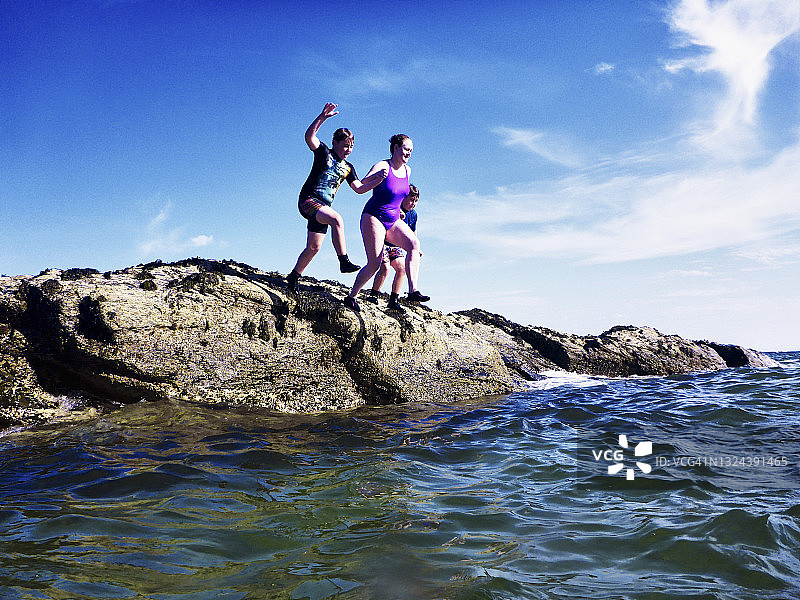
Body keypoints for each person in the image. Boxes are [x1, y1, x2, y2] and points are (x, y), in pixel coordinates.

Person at [287, 103, 388, 293]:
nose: (348, 150)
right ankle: (344, 261)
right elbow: (309, 137)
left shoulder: (348, 167)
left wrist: (377, 180)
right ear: (335, 143)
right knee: (337, 219)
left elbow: (358, 188)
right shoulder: (323, 152)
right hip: (308, 200)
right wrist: (322, 117)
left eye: (351, 147)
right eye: (344, 146)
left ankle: (293, 277)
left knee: (313, 248)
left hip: (322, 207)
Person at [344, 134, 429, 312]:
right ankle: (351, 296)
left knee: (414, 244)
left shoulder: (408, 170)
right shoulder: (383, 165)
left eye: (411, 151)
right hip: (373, 217)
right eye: (406, 149)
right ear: (396, 147)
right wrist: (377, 179)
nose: (409, 153)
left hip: (393, 220)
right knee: (374, 264)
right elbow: (361, 184)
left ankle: (413, 291)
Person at [366, 185, 420, 311]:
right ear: (403, 198)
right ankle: (374, 294)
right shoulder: (394, 208)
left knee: (402, 269)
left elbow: (413, 232)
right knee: (384, 268)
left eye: (416, 201)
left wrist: (417, 249)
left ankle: (393, 300)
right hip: (383, 243)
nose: (413, 204)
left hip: (396, 246)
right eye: (411, 200)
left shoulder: (413, 214)